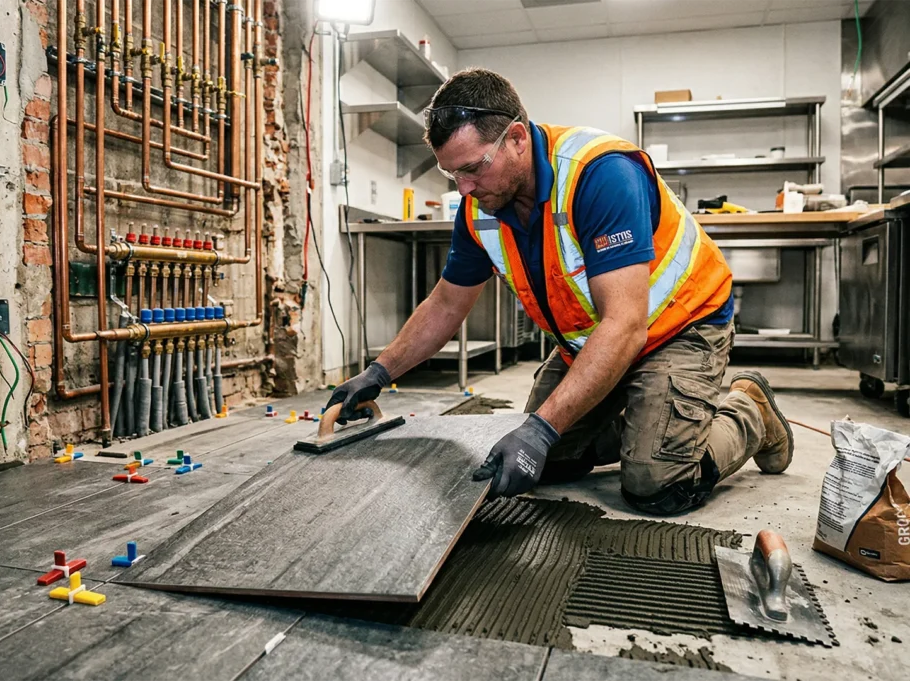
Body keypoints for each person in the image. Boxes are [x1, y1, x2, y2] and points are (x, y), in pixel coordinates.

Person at [323, 68, 793, 515]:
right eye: (452, 175)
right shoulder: (480, 206)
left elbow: (626, 324)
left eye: (472, 168)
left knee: (657, 483)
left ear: (517, 138)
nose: (464, 188)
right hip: (593, 341)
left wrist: (543, 428)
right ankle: (652, 415)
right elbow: (446, 303)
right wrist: (379, 372)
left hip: (680, 327)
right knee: (544, 462)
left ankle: (747, 409)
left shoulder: (600, 175)